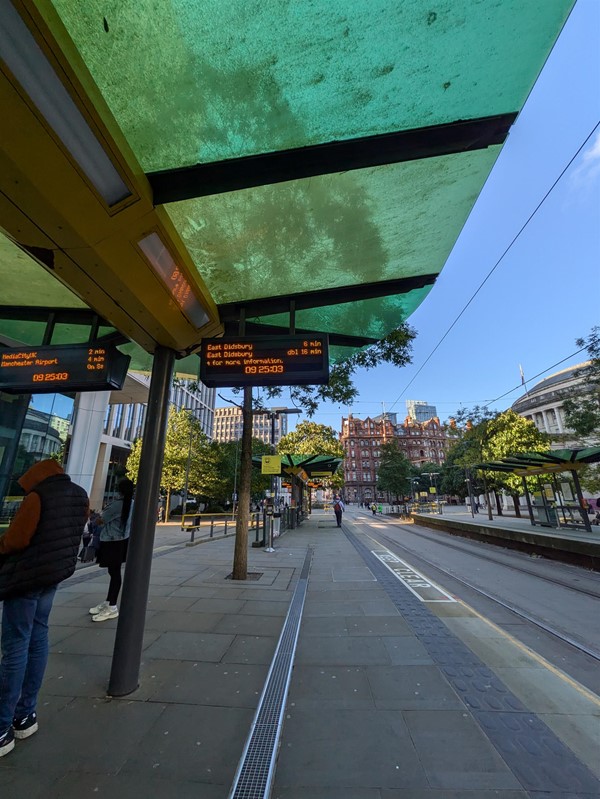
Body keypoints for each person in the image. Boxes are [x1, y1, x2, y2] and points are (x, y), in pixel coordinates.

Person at [0, 459, 88, 757]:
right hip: (53, 575)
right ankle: (26, 714)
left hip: (25, 579)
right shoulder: (79, 495)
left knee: (15, 645)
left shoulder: (38, 497)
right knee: (38, 637)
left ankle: (2, 728)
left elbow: (16, 540)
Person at [89, 477, 134, 623]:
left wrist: (95, 517)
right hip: (121, 540)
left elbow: (101, 520)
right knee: (114, 572)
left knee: (114, 573)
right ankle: (109, 602)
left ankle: (112, 606)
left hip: (111, 542)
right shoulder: (131, 503)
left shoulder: (117, 505)